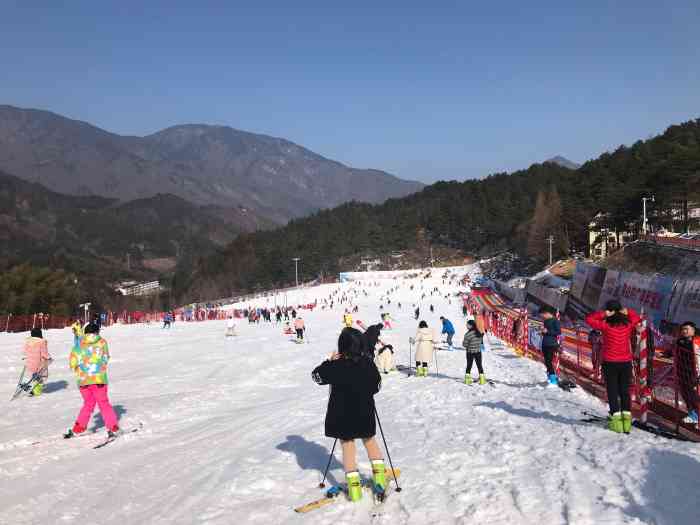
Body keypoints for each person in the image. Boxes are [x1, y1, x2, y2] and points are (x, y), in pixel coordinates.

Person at [312, 328, 386, 502]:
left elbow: (316, 376)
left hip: (342, 416)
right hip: (364, 412)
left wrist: (328, 361)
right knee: (370, 442)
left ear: (342, 347)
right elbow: (377, 386)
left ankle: (354, 490)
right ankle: (380, 479)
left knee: (347, 446)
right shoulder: (368, 363)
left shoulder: (335, 366)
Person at [586, 301, 641, 434]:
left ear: (609, 311)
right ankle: (626, 423)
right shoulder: (628, 325)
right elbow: (637, 318)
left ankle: (615, 423)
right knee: (624, 391)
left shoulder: (605, 325)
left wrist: (604, 314)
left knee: (612, 390)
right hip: (625, 362)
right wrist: (627, 312)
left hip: (610, 362)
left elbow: (589, 319)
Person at [65, 323, 120, 438]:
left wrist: (81, 369)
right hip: (98, 379)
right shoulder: (102, 342)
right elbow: (105, 358)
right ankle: (113, 427)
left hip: (83, 380)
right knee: (103, 403)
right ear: (97, 332)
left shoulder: (78, 344)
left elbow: (72, 363)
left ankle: (78, 427)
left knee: (88, 404)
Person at [676, 321, 700, 424]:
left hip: (694, 373)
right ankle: (692, 414)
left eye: (687, 329)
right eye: (683, 329)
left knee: (693, 394)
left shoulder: (697, 341)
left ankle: (696, 416)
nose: (684, 331)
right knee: (685, 394)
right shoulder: (680, 341)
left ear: (693, 330)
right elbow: (673, 351)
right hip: (682, 371)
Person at [23, 327, 52, 396]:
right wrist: (49, 358)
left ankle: (35, 386)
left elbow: (25, 351)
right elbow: (44, 353)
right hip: (39, 364)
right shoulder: (41, 342)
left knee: (35, 375)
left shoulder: (28, 341)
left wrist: (26, 357)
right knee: (42, 376)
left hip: (29, 363)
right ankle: (36, 390)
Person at [540, 306, 562, 386]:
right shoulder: (546, 321)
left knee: (549, 361)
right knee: (546, 361)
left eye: (542, 315)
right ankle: (550, 376)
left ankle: (553, 378)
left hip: (551, 344)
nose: (542, 317)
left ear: (547, 313)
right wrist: (542, 331)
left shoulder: (555, 321)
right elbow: (546, 332)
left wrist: (547, 331)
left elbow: (558, 332)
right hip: (545, 343)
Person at [463, 320, 486, 385]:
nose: (466, 326)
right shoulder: (479, 333)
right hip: (478, 352)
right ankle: (482, 380)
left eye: (467, 325)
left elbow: (464, 344)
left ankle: (467, 380)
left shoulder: (467, 334)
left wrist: (468, 345)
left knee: (469, 365)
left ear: (471, 326)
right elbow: (481, 342)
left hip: (470, 352)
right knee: (479, 365)